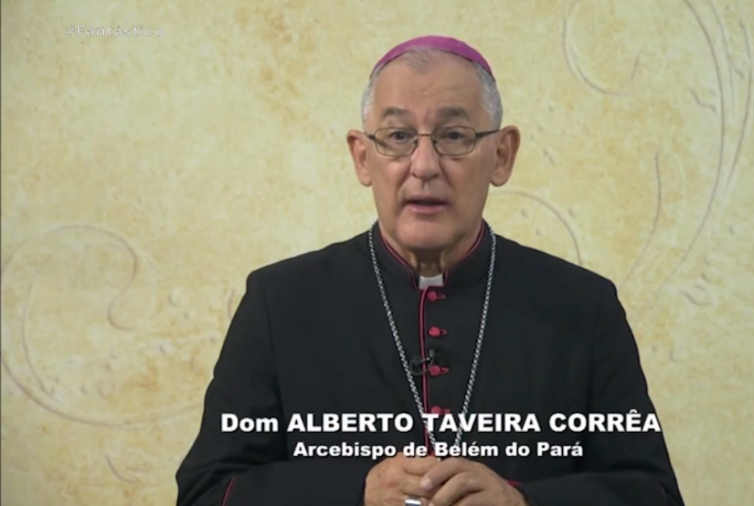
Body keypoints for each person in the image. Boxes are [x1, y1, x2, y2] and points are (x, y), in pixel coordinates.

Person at [174, 35, 685, 506]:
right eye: (398, 136)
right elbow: (206, 493)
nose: (423, 165)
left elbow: (654, 494)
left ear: (501, 155)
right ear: (362, 158)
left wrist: (523, 503)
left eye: (454, 136)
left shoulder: (583, 307)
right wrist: (355, 494)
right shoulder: (281, 302)